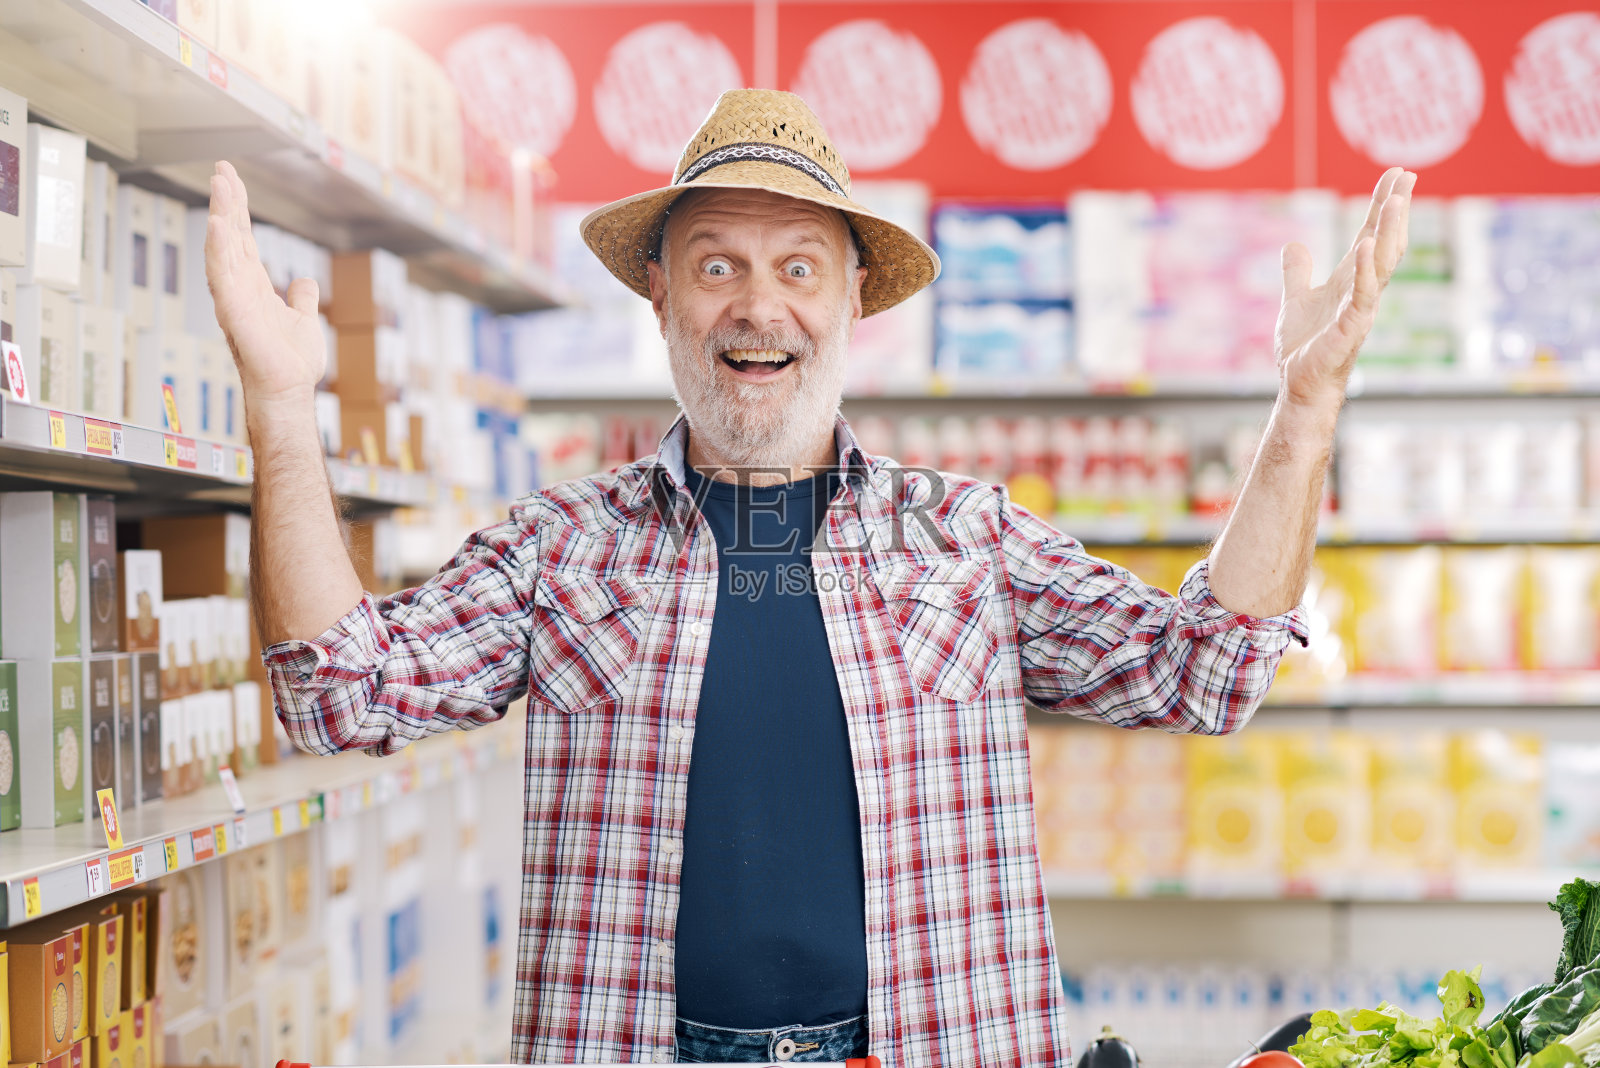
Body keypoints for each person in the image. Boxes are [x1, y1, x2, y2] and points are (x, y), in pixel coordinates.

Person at [205, 89, 1414, 1066]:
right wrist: (277, 409)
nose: (757, 304)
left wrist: (1305, 405)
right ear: (662, 298)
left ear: (848, 301)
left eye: (798, 265)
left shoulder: (966, 540)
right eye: (716, 265)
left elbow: (1202, 669)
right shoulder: (557, 547)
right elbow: (341, 695)